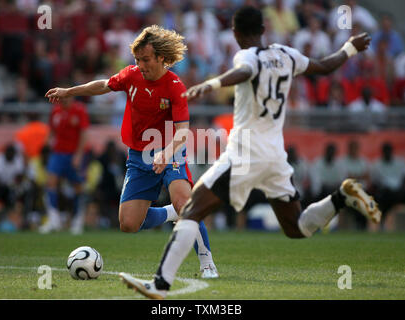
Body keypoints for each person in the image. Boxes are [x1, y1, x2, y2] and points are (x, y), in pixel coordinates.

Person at [119, 6, 382, 300]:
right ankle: (340, 197)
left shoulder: (246, 56)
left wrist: (214, 83)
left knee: (191, 211)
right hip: (275, 156)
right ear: (263, 29)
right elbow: (325, 66)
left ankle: (160, 286)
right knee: (296, 227)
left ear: (235, 33)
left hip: (245, 152)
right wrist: (350, 47)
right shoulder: (286, 54)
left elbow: (245, 71)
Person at [45, 25, 218, 278]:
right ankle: (170, 213)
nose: (141, 65)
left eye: (145, 60)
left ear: (160, 57)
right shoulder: (132, 75)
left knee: (184, 203)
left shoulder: (174, 86)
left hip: (170, 151)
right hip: (138, 155)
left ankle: (206, 262)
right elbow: (103, 85)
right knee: (128, 224)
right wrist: (70, 91)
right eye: (137, 60)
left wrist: (166, 153)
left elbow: (183, 131)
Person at [39, 94, 89, 235]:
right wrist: (47, 143)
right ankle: (54, 220)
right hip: (58, 153)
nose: (65, 100)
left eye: (67, 97)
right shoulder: (55, 111)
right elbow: (52, 131)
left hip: (73, 154)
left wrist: (79, 155)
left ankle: (77, 221)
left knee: (78, 187)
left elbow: (84, 134)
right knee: (51, 182)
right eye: (63, 98)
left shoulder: (79, 110)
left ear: (72, 97)